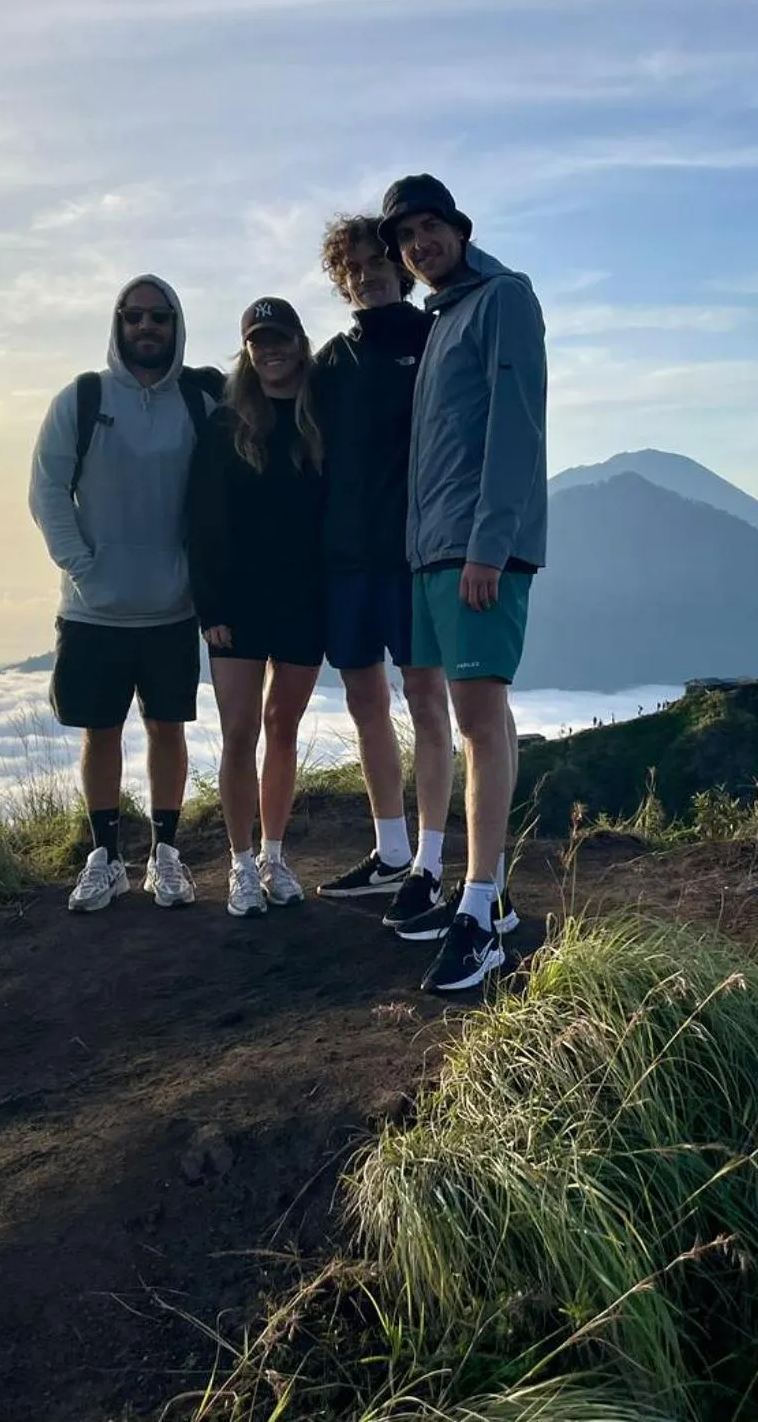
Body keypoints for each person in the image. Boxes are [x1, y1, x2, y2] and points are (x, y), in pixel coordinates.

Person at [377, 175, 547, 994]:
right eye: (406, 236)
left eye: (429, 227)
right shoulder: (445, 317)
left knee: (478, 720)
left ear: (458, 227)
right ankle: (493, 892)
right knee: (480, 717)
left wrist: (488, 545)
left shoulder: (503, 299)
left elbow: (515, 427)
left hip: (475, 551)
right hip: (432, 550)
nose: (419, 244)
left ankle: (477, 916)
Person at [29, 275, 220, 913]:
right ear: (118, 324)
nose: (146, 328)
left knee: (168, 729)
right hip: (92, 610)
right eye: (134, 316)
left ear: (175, 324)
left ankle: (165, 856)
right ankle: (105, 857)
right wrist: (84, 567)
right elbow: (47, 491)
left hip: (171, 606)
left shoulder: (200, 402)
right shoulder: (81, 399)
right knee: (100, 732)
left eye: (159, 317)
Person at [308, 214, 457, 929]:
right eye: (353, 267)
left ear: (400, 266)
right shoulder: (332, 360)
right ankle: (390, 851)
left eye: (376, 261)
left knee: (426, 696)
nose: (366, 275)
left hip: (412, 556)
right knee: (365, 700)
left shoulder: (433, 339)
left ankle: (430, 862)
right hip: (346, 558)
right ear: (341, 280)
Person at [186, 298, 329, 918]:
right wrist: (210, 603)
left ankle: (274, 855)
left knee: (284, 729)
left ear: (300, 342)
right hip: (236, 604)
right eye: (257, 340)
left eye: (280, 338)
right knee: (240, 732)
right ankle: (241, 865)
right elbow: (201, 518)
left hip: (305, 597)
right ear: (247, 350)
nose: (270, 349)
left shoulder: (323, 418)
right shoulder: (224, 426)